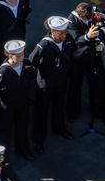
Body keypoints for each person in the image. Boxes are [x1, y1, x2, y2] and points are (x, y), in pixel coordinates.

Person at [27, 16, 75, 153]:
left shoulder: (68, 39)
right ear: (53, 32)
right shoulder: (43, 46)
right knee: (41, 111)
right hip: (45, 84)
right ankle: (38, 140)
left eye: (65, 32)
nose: (65, 35)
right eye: (61, 33)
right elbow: (31, 63)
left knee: (59, 105)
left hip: (61, 81)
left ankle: (59, 128)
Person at [66, 2, 105, 127]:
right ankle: (73, 111)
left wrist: (102, 44)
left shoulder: (100, 14)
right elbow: (75, 41)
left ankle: (102, 112)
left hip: (94, 55)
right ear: (79, 16)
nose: (90, 21)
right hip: (78, 57)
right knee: (75, 84)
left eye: (91, 18)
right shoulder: (71, 20)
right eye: (86, 19)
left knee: (99, 82)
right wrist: (87, 36)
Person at [0, 40, 36, 161]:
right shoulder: (4, 72)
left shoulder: (26, 63)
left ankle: (23, 150)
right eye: (18, 56)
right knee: (4, 132)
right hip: (7, 106)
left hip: (22, 103)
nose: (22, 57)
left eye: (23, 54)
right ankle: (1, 157)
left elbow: (31, 76)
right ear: (9, 55)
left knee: (22, 127)